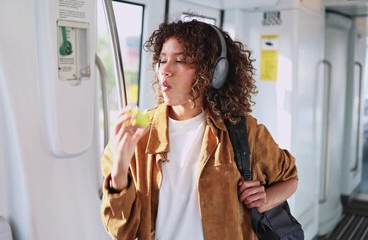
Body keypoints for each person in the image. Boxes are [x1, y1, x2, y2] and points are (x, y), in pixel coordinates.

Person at [100, 19, 299, 240]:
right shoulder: (137, 133)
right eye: (162, 60)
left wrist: (265, 199)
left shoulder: (243, 132)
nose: (165, 70)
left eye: (181, 60)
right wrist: (119, 170)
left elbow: (290, 180)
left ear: (214, 71)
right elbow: (122, 232)